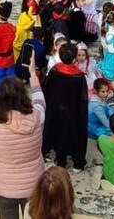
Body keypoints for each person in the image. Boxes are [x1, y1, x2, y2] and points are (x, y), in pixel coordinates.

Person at [0, 63, 46, 219]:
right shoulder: (38, 117)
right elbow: (40, 100)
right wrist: (32, 74)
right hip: (33, 184)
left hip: (3, 185)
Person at [42, 42, 88, 171]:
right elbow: (83, 99)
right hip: (72, 112)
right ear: (74, 59)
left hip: (55, 109)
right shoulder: (79, 77)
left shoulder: (55, 70)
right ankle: (75, 163)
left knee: (54, 132)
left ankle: (56, 159)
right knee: (71, 136)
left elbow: (47, 89)